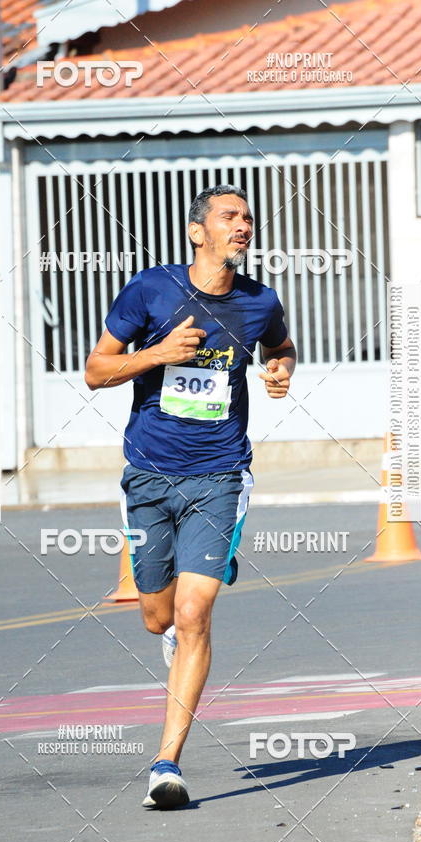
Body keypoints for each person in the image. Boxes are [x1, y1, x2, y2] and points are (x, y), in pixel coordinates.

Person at [84, 184, 296, 809]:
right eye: (230, 217)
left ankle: (166, 763)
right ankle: (173, 633)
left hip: (220, 475)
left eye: (248, 218)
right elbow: (96, 369)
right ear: (197, 232)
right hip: (148, 475)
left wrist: (282, 370)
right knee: (158, 616)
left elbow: (279, 346)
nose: (243, 226)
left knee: (195, 612)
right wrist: (156, 354)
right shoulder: (152, 289)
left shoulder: (260, 301)